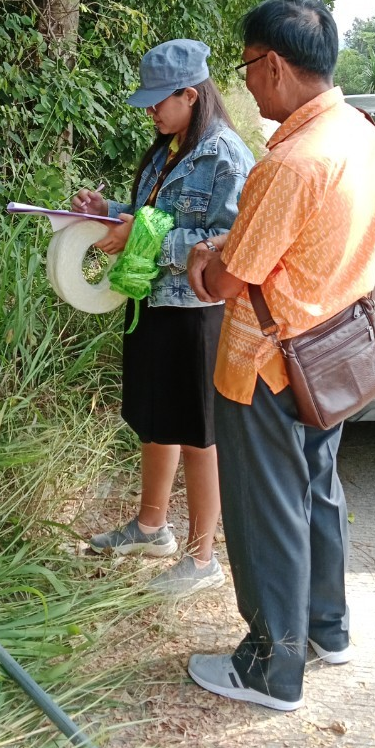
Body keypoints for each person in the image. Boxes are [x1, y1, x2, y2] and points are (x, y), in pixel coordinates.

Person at [185, 0, 375, 710]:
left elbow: (229, 279)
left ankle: (272, 669)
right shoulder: (358, 134)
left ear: (273, 64)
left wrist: (202, 261)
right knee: (316, 490)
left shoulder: (292, 164)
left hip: (270, 364)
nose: (245, 84)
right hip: (334, 352)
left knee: (265, 508)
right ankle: (326, 629)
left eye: (245, 68)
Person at [73, 38, 254, 597]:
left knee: (200, 435)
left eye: (160, 102)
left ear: (191, 94)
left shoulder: (226, 156)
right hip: (152, 302)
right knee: (156, 419)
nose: (152, 112)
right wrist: (111, 214)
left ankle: (202, 560)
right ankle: (151, 528)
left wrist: (144, 239)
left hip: (198, 311)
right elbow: (153, 215)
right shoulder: (166, 146)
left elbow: (226, 246)